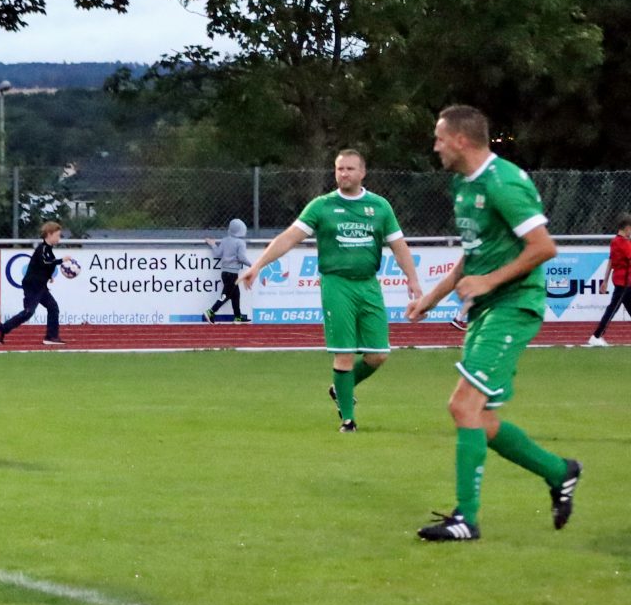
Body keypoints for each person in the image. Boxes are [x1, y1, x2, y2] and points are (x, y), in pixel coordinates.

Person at [403, 106, 580, 541]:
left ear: (462, 140)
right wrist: (431, 297)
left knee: (462, 405)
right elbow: (472, 257)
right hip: (489, 308)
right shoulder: (464, 186)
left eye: (439, 138)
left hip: (515, 305)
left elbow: (543, 248)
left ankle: (466, 518)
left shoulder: (504, 183)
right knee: (480, 418)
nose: (435, 146)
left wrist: (489, 282)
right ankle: (560, 472)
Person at [240, 149, 423, 431]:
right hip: (336, 284)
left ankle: (341, 389)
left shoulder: (380, 206)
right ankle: (348, 420)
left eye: (350, 169)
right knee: (345, 352)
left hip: (368, 284)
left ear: (363, 173)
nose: (343, 174)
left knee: (378, 354)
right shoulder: (322, 206)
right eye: (339, 169)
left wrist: (412, 278)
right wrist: (259, 264)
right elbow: (289, 237)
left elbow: (399, 246)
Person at [0, 221, 69, 347]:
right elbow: (45, 262)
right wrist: (61, 261)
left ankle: (51, 337)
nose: (59, 238)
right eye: (57, 235)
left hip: (40, 285)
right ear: (49, 235)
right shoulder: (42, 248)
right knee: (28, 312)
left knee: (53, 307)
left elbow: (43, 266)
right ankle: (2, 328)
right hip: (33, 285)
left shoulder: (48, 249)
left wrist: (49, 276)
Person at [587, 214, 631, 347]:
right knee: (612, 309)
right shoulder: (624, 244)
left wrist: (605, 280)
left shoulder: (615, 242)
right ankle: (596, 336)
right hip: (624, 282)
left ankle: (596, 336)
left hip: (622, 280)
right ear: (627, 228)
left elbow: (611, 262)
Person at [204, 219, 249, 322]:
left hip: (225, 273)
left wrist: (213, 244)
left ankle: (238, 317)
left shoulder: (224, 240)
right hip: (233, 274)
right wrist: (253, 265)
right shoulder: (241, 243)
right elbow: (241, 258)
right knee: (226, 295)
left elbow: (217, 254)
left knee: (235, 294)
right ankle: (211, 311)